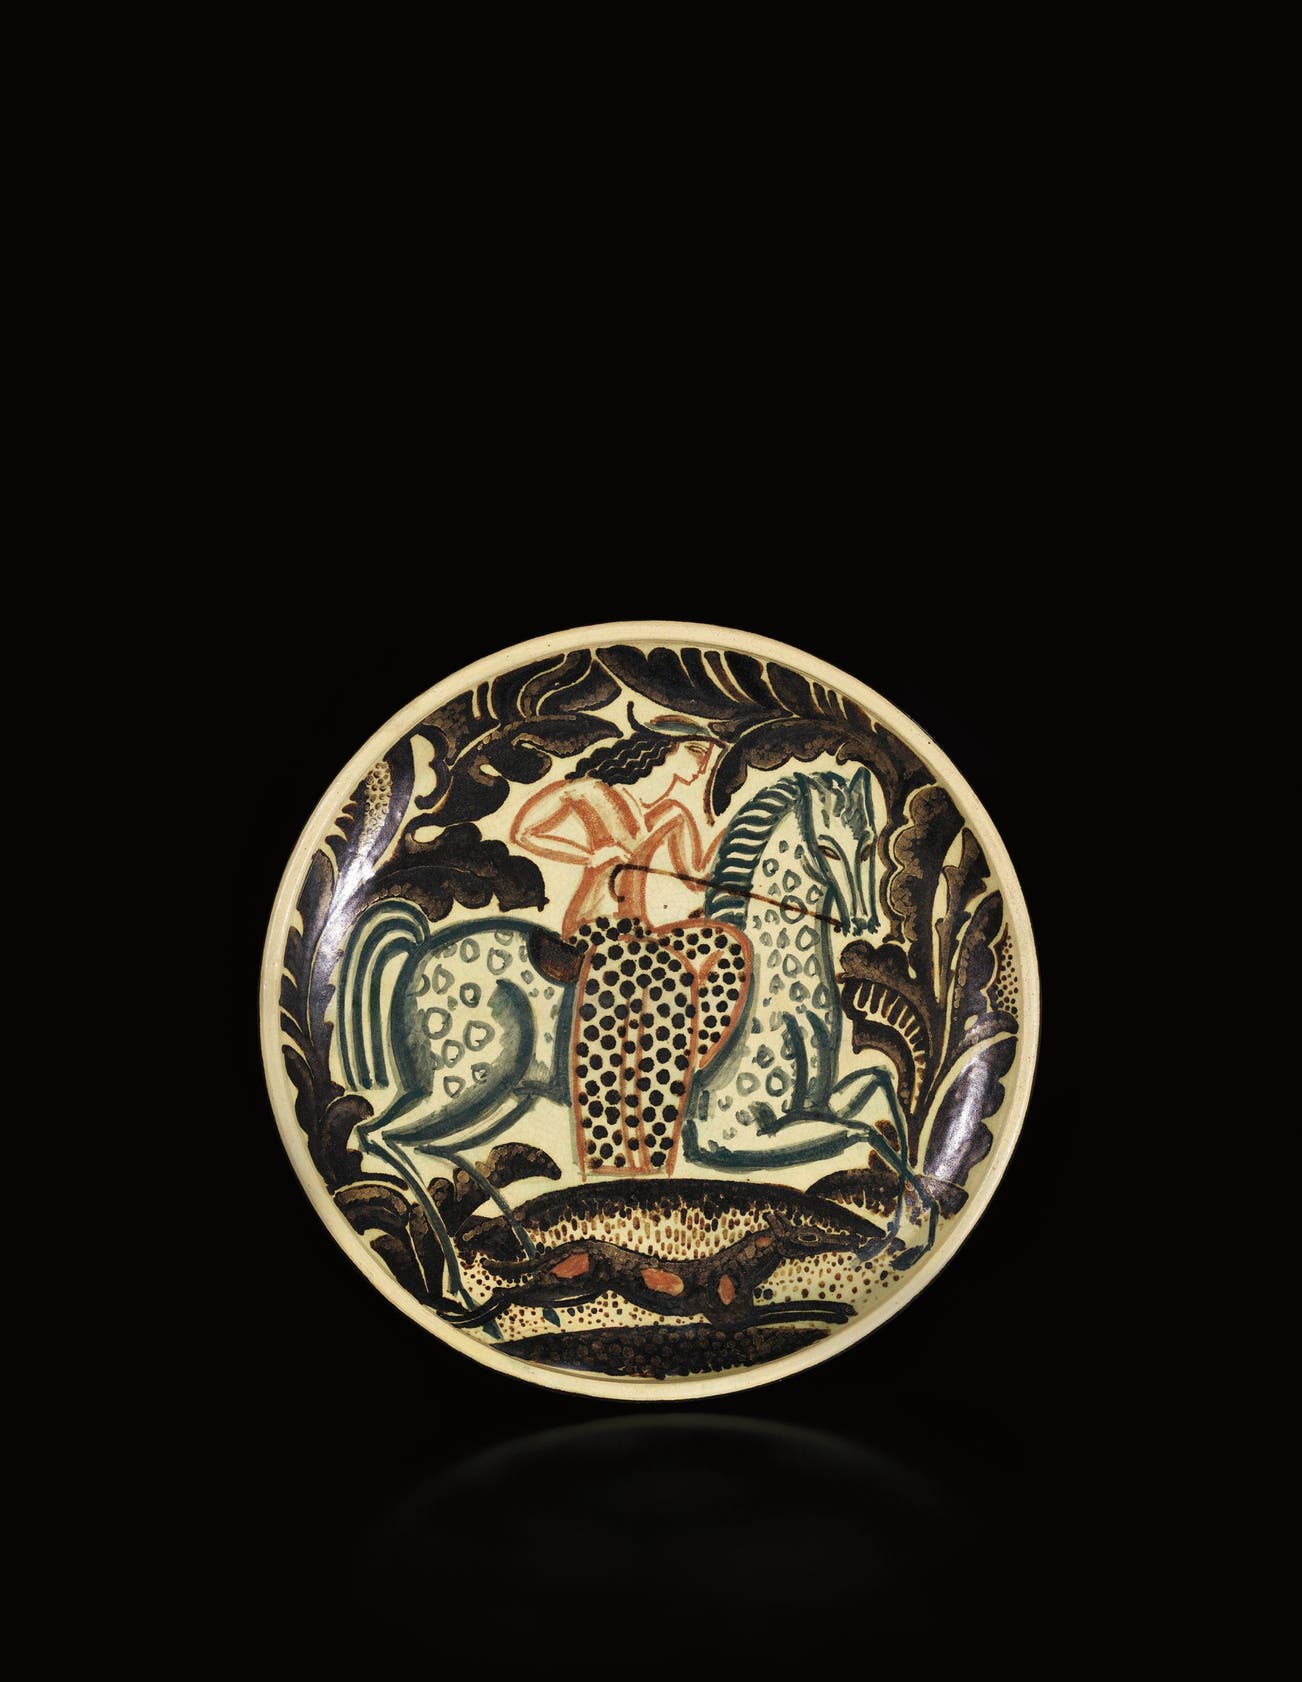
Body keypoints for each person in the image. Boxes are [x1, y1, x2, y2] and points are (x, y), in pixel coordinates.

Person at [510, 709, 752, 1176]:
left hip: (641, 933)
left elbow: (696, 877)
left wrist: (741, 836)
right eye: (696, 753)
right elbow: (524, 830)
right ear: (664, 750)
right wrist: (589, 853)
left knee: (725, 945)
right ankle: (616, 1151)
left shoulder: (672, 814)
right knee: (666, 972)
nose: (702, 767)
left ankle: (677, 1056)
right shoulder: (592, 793)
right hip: (597, 929)